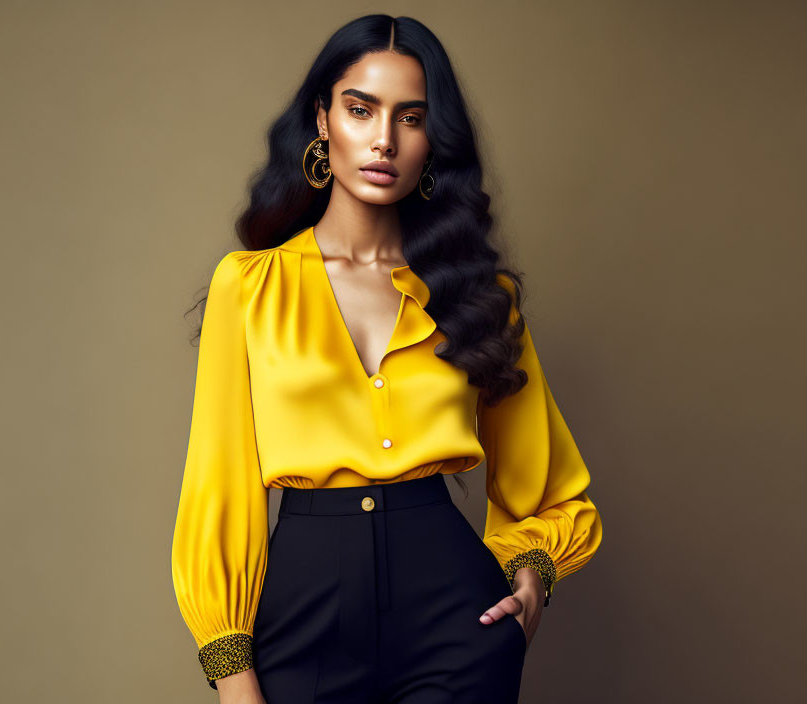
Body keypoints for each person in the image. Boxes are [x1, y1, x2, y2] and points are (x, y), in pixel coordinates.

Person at [171, 14, 603, 704]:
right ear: (322, 119)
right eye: (360, 108)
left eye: (411, 117)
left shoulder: (476, 294)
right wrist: (233, 675)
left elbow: (546, 483)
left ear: (434, 140)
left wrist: (532, 587)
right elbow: (218, 490)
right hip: (303, 615)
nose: (383, 139)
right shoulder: (250, 287)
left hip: (454, 617)